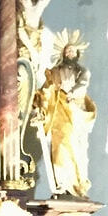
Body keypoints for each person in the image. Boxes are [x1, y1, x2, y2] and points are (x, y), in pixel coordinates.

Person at [33, 31, 96, 198]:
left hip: (75, 112)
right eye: (67, 51)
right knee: (60, 146)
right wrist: (38, 102)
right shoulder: (54, 72)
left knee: (77, 148)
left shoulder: (82, 71)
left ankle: (78, 184)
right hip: (59, 112)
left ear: (77, 54)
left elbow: (83, 84)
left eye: (72, 51)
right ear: (62, 54)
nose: (70, 53)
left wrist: (72, 92)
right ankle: (61, 183)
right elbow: (46, 90)